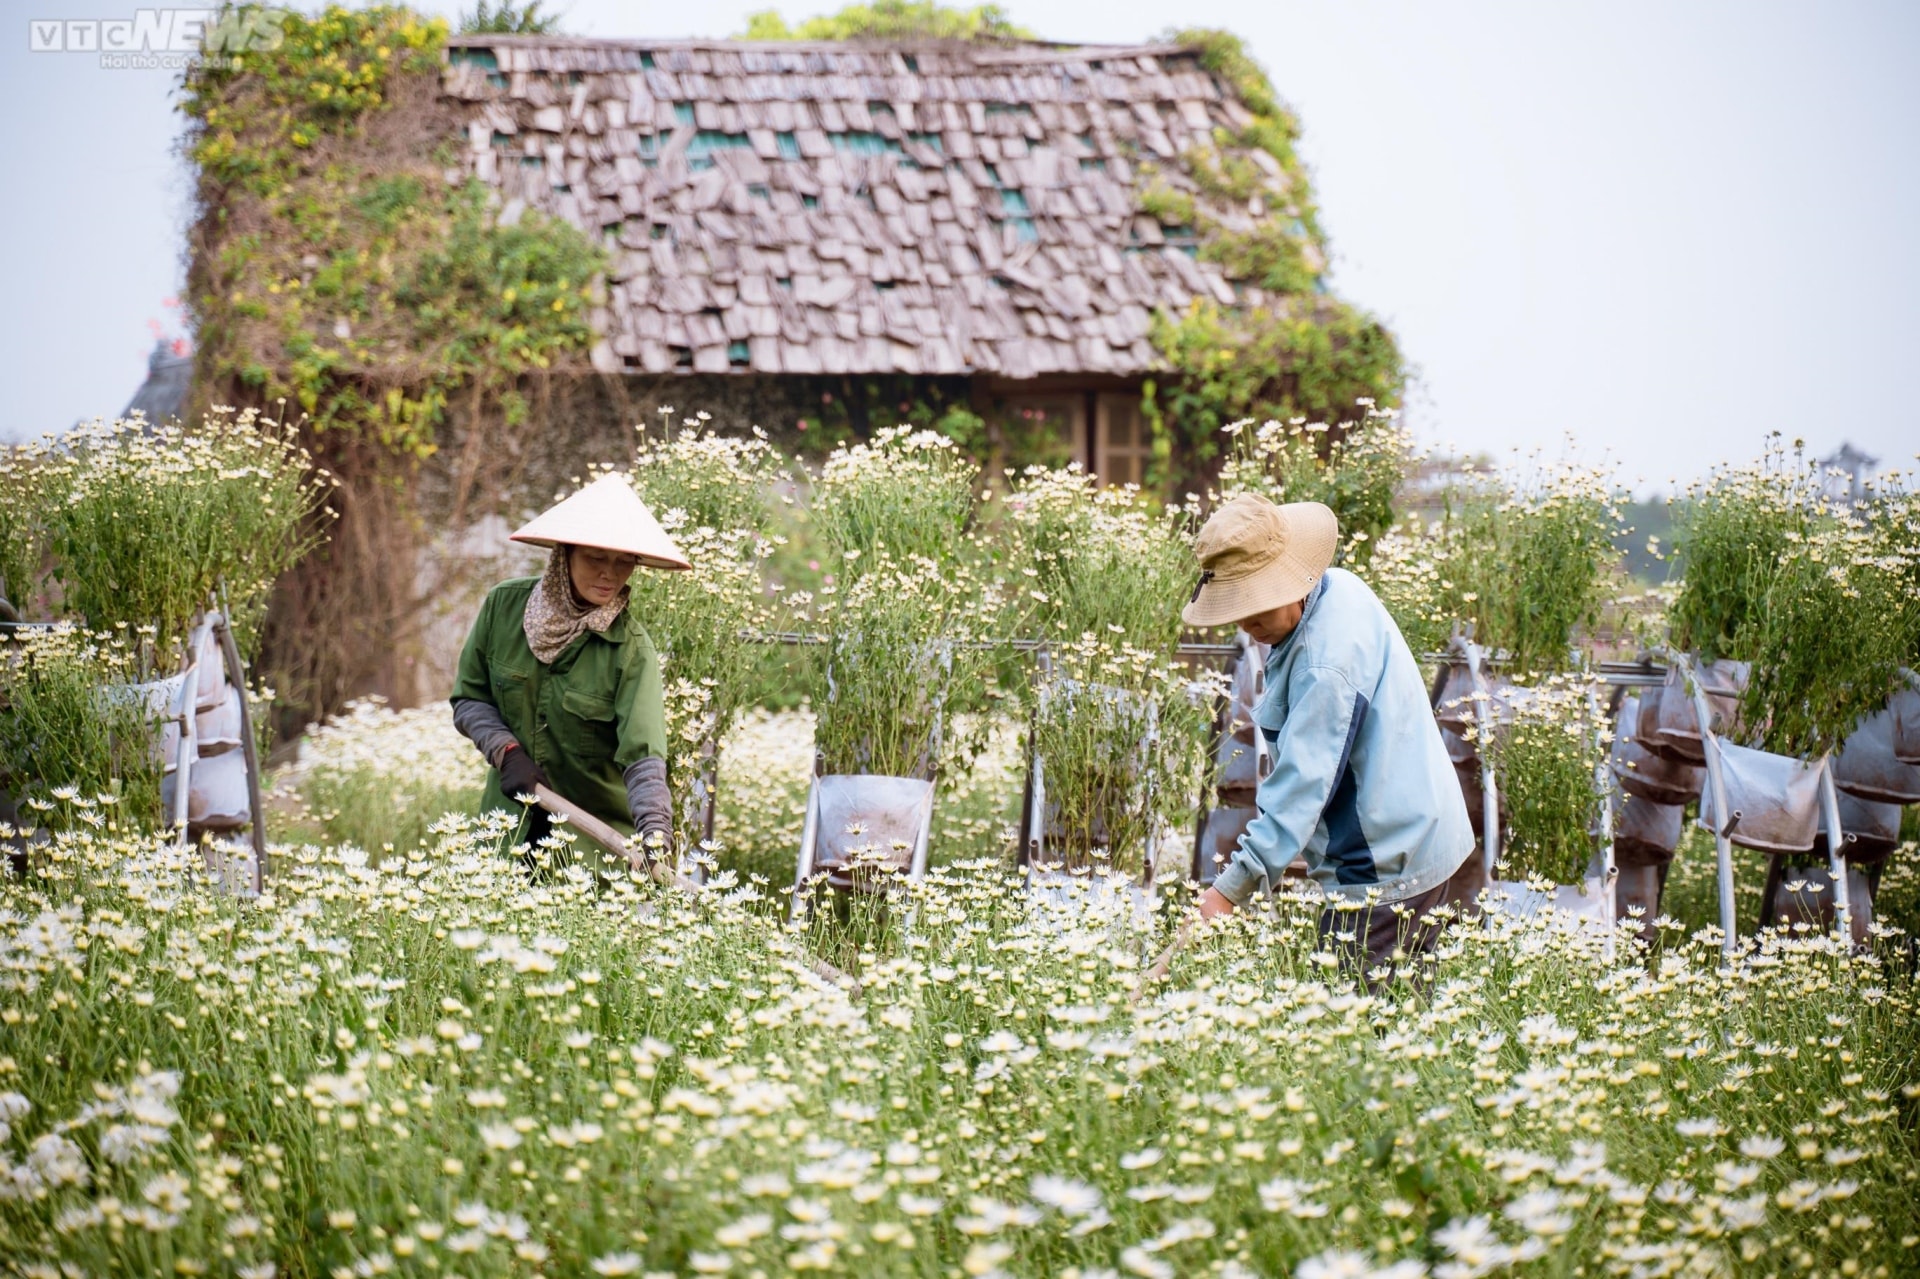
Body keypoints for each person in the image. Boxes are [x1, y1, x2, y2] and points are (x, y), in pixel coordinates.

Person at [1144, 493, 1478, 993]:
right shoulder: (1337, 587)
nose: (1245, 625)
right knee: (1397, 1013)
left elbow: (1301, 791)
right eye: (1238, 609)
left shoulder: (1327, 666)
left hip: (1388, 866)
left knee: (1355, 1020)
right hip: (1420, 831)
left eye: (1255, 609)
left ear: (1293, 580)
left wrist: (1229, 891)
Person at [450, 474, 691, 869]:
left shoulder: (631, 650)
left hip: (589, 856)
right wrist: (505, 751)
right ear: (565, 553)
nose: (609, 575)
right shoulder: (503, 608)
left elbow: (644, 757)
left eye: (623, 561)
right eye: (596, 558)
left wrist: (655, 835)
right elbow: (470, 698)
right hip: (503, 836)